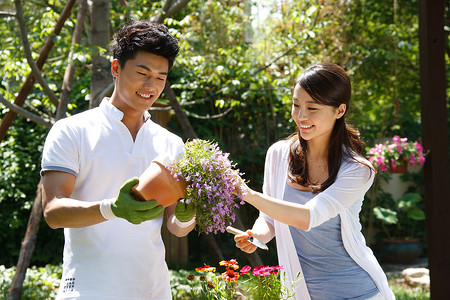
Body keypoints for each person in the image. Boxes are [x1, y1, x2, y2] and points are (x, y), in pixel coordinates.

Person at [41, 20, 196, 300]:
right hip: (88, 290)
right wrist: (111, 208)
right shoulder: (71, 130)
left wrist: (188, 213)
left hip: (154, 291)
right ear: (116, 68)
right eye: (142, 73)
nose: (151, 85)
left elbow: (175, 225)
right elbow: (53, 211)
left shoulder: (171, 144)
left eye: (161, 77)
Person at [234, 63, 395, 300]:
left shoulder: (357, 170)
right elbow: (269, 217)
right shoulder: (278, 154)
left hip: (358, 292)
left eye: (312, 108)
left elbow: (307, 217)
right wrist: (257, 236)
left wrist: (245, 193)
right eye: (296, 105)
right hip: (303, 293)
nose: (301, 116)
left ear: (339, 110)